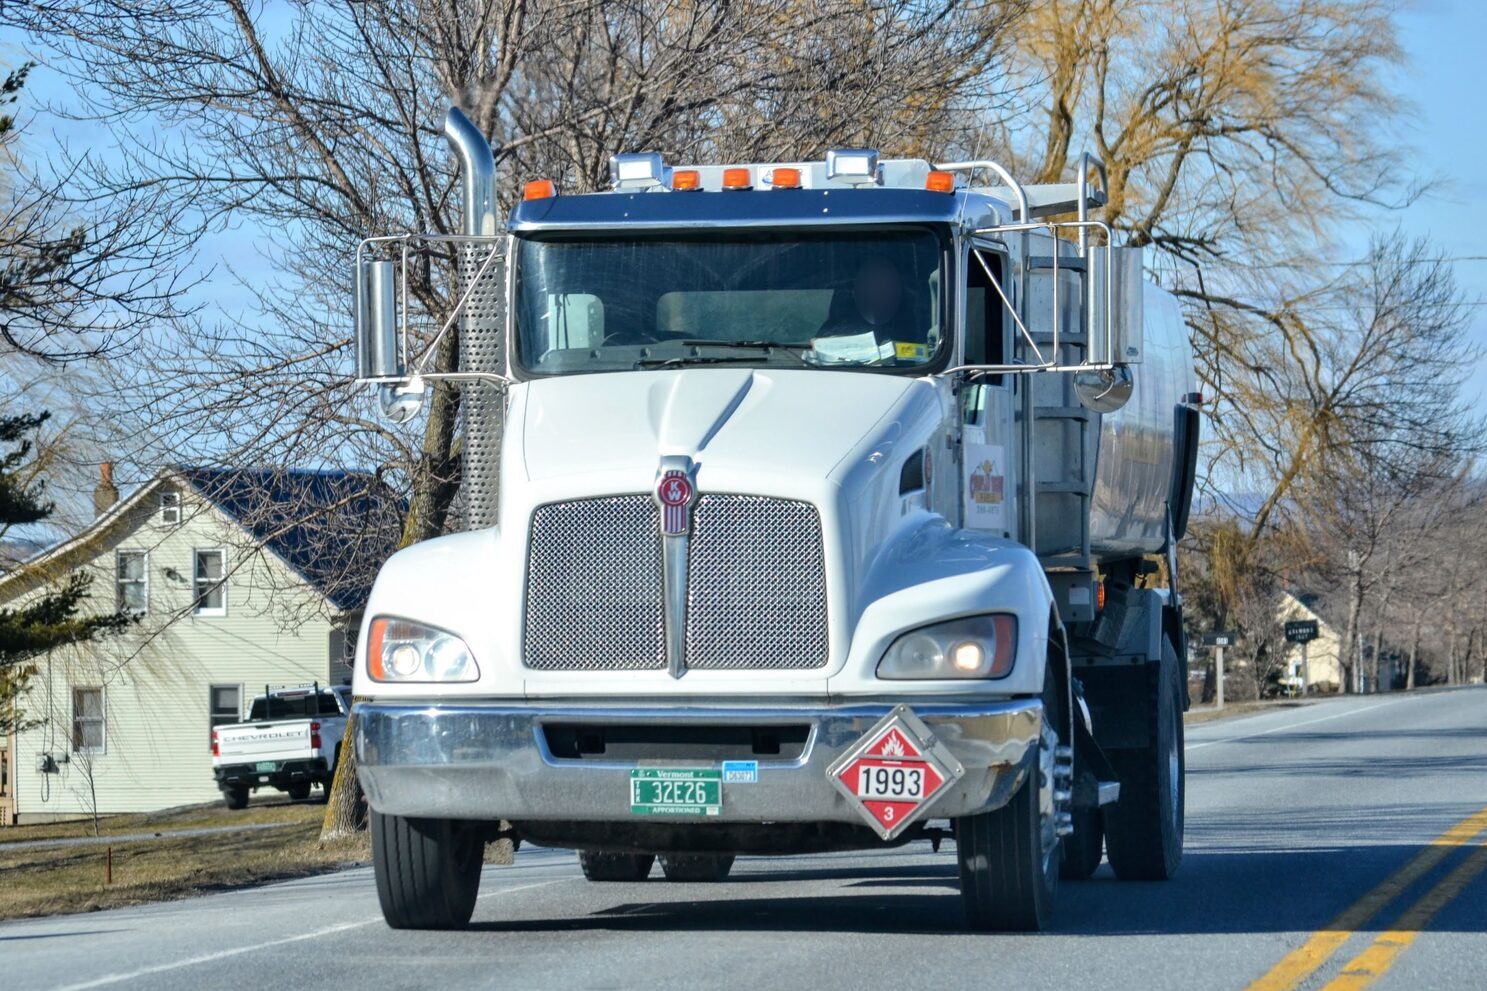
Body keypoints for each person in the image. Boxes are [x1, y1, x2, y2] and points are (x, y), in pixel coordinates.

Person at [818, 254, 923, 345]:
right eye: (870, 284)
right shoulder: (833, 332)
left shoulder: (918, 332)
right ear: (855, 291)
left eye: (884, 285)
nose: (876, 291)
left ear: (899, 290)